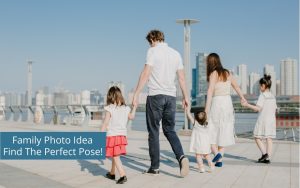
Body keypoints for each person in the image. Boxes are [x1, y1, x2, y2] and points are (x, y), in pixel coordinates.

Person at [132, 30, 190, 177]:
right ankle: (181, 157)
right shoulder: (176, 53)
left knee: (154, 131)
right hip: (171, 97)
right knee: (170, 130)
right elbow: (182, 78)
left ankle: (155, 167)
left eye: (149, 42)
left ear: (153, 39)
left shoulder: (153, 52)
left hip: (155, 96)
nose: (149, 45)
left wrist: (137, 93)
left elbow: (145, 73)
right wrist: (186, 97)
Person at [204, 53, 247, 167]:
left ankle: (216, 153)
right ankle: (219, 160)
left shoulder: (213, 73)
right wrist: (243, 98)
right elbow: (236, 87)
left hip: (217, 102)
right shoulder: (227, 72)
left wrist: (206, 110)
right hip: (227, 103)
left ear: (210, 62)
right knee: (224, 130)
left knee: (211, 130)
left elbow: (210, 91)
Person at [101, 86, 137, 184]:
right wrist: (135, 107)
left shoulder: (110, 108)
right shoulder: (126, 108)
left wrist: (100, 136)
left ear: (110, 96)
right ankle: (112, 173)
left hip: (112, 135)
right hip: (122, 135)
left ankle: (122, 175)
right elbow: (132, 117)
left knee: (115, 155)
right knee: (115, 154)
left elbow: (105, 123)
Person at [242, 74, 277, 164]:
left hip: (263, 120)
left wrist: (247, 105)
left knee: (257, 137)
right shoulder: (272, 96)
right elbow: (275, 109)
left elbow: (258, 108)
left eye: (259, 86)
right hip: (271, 120)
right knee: (269, 138)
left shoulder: (263, 95)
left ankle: (265, 154)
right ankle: (267, 158)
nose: (259, 88)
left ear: (263, 86)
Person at [186, 109, 214, 173]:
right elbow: (209, 114)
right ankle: (211, 165)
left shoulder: (195, 124)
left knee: (198, 155)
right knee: (207, 155)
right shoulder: (207, 124)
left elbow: (189, 115)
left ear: (195, 117)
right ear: (205, 118)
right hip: (206, 143)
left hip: (198, 144)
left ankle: (201, 167)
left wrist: (187, 109)